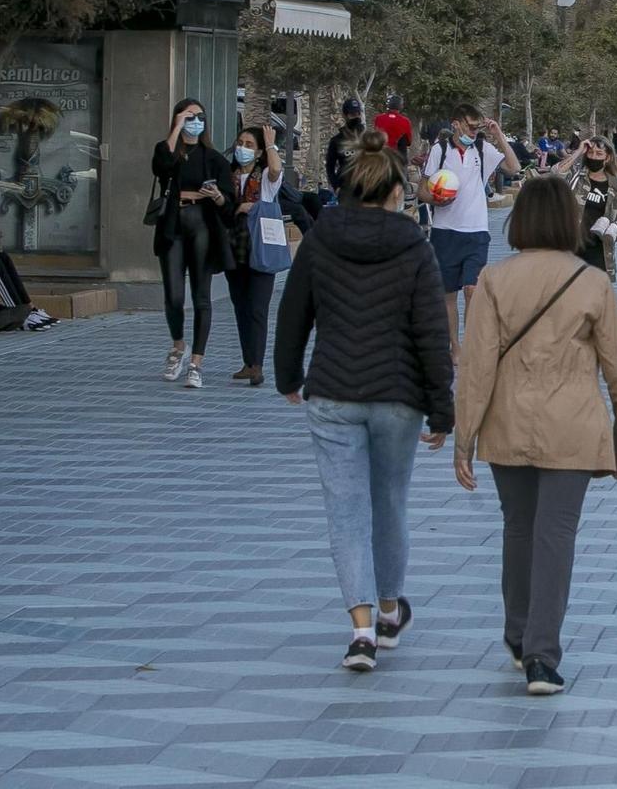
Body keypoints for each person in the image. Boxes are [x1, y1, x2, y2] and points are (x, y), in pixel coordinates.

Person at [274, 129, 453, 673]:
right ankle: (391, 608)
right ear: (397, 191)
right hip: (398, 397)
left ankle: (360, 631)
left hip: (332, 391)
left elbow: (293, 315)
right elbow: (431, 334)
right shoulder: (415, 248)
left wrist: (288, 376)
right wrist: (443, 409)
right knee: (390, 502)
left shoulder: (322, 240)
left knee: (345, 510)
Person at [454, 176, 617, 696]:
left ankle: (517, 634)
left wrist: (465, 436)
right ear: (569, 221)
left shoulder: (493, 279)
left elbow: (477, 364)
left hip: (507, 421)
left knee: (518, 528)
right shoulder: (592, 283)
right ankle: (543, 657)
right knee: (555, 536)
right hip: (573, 424)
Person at [421, 104, 521, 351]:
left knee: (472, 291)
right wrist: (436, 199)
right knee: (448, 295)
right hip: (445, 231)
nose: (474, 131)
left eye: (477, 127)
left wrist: (498, 135)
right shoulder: (440, 150)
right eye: (470, 126)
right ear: (456, 124)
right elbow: (423, 190)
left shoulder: (482, 148)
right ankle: (455, 347)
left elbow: (514, 168)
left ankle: (472, 347)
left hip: (476, 231)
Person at [151, 99, 236, 388]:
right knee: (174, 294)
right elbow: (161, 165)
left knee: (201, 296)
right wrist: (176, 129)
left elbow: (228, 204)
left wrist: (215, 196)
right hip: (174, 223)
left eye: (199, 116)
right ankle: (178, 347)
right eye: (188, 116)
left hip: (203, 225)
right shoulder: (170, 152)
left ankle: (196, 363)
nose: (195, 121)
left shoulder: (214, 158)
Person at [222, 123, 285, 386]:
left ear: (259, 152)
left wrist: (270, 144)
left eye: (249, 145)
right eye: (240, 144)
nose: (243, 149)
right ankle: (248, 361)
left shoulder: (265, 180)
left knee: (258, 308)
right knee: (241, 306)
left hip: (261, 249)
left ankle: (257, 365)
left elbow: (277, 170)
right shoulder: (229, 177)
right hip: (235, 247)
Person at [556, 137, 617, 280]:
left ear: (607, 158)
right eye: (590, 153)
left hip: (598, 251)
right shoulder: (576, 177)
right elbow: (556, 174)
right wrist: (578, 152)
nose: (593, 157)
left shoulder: (615, 188)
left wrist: (614, 228)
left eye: (599, 154)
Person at [324, 97, 365, 188]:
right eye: (352, 114)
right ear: (345, 115)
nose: (356, 117)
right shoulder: (337, 141)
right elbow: (330, 167)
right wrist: (336, 187)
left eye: (357, 114)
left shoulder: (369, 138)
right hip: (346, 188)